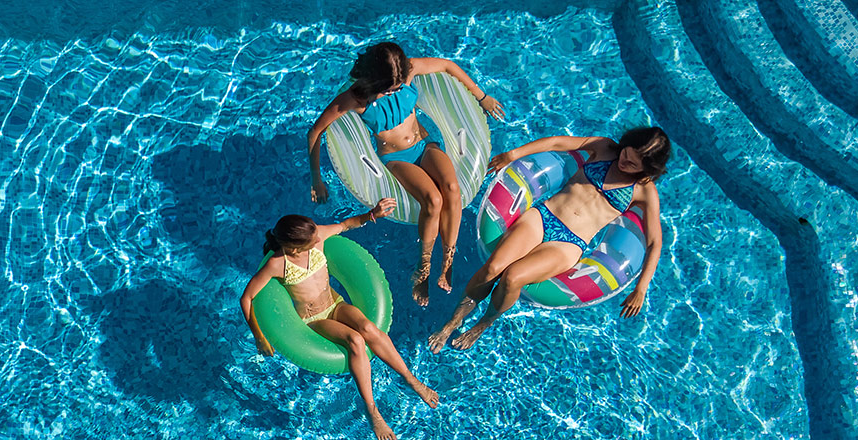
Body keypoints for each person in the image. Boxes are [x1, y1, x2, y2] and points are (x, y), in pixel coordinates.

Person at [427, 128, 670, 353]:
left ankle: (484, 323)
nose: (627, 160)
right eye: (630, 151)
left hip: (568, 243)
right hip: (543, 218)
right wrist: (512, 155)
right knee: (493, 267)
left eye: (636, 162)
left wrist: (642, 287)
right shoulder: (605, 147)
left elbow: (654, 242)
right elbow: (556, 142)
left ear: (648, 167)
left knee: (513, 277)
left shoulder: (644, 191)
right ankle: (453, 321)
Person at [306, 42, 505, 307]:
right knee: (432, 200)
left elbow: (448, 64)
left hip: (426, 145)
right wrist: (316, 179)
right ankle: (423, 268)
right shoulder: (356, 98)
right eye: (392, 87)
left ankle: (447, 262)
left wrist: (481, 96)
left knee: (452, 189)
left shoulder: (407, 71)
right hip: (397, 158)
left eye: (399, 86)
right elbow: (315, 132)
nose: (397, 90)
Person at [240, 198, 438, 440]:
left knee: (367, 326)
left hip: (336, 304)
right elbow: (247, 298)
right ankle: (372, 411)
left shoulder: (318, 236)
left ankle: (411, 380)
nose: (318, 240)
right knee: (355, 340)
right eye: (312, 241)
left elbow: (345, 225)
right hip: (314, 319)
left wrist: (372, 214)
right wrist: (259, 336)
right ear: (294, 248)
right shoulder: (276, 264)